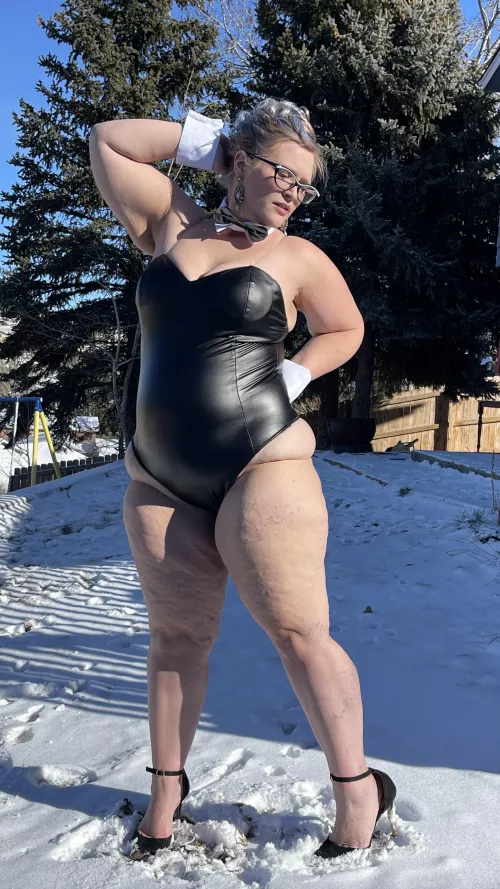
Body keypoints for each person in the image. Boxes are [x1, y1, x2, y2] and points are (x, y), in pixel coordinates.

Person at [88, 98, 397, 861]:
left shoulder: (299, 257)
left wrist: (295, 373)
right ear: (240, 161)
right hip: (161, 476)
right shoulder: (171, 223)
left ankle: (357, 788)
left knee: (298, 633)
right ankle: (167, 792)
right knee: (175, 639)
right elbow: (110, 142)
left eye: (305, 183)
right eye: (282, 172)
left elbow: (346, 328)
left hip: (263, 464)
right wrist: (207, 142)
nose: (294, 191)